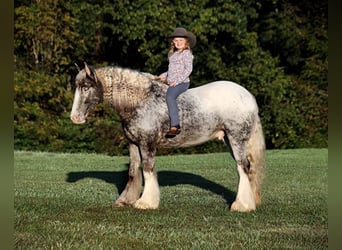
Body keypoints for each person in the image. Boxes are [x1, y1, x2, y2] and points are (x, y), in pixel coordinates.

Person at [159, 27, 196, 138]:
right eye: (176, 40)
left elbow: (188, 70)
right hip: (172, 81)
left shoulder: (187, 54)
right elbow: (171, 71)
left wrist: (177, 81)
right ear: (173, 42)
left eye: (181, 40)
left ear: (186, 42)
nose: (178, 43)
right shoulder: (173, 55)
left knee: (170, 96)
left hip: (182, 82)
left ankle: (175, 125)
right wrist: (164, 75)